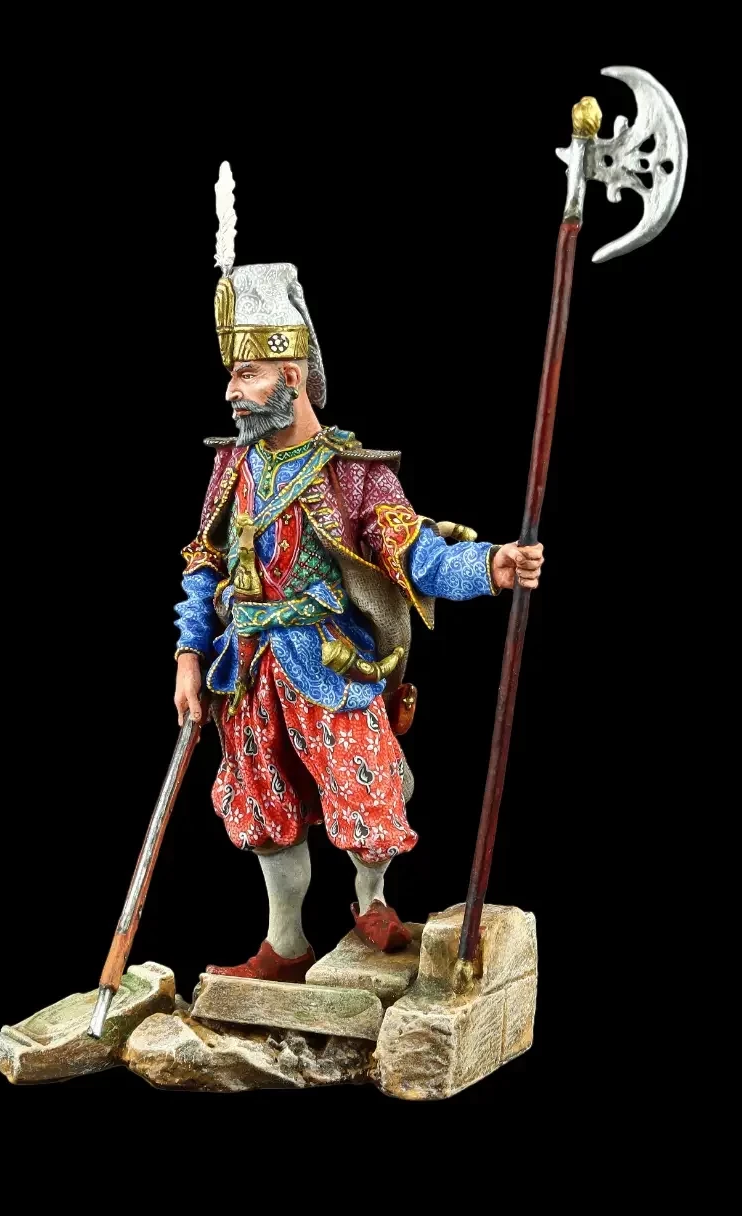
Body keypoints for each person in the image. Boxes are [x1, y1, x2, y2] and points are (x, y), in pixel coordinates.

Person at [174, 239, 543, 985]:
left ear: (290, 376)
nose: (231, 392)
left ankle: (371, 900)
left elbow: (415, 553)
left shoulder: (352, 475)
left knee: (364, 786)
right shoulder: (230, 465)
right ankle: (285, 944)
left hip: (328, 664)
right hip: (246, 669)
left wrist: (490, 566)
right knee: (262, 803)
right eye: (232, 375)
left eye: (245, 375)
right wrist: (188, 654)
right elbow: (203, 565)